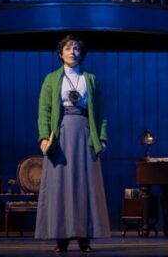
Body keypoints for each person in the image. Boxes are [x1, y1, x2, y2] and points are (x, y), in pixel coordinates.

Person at [35, 34, 110, 254]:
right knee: (59, 187)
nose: (72, 52)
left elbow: (100, 113)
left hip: (85, 134)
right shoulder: (51, 79)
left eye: (76, 48)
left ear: (81, 53)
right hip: (60, 135)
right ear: (60, 54)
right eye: (68, 48)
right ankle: (61, 239)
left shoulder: (91, 79)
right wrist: (43, 137)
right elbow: (44, 111)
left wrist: (102, 138)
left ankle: (84, 238)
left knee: (84, 186)